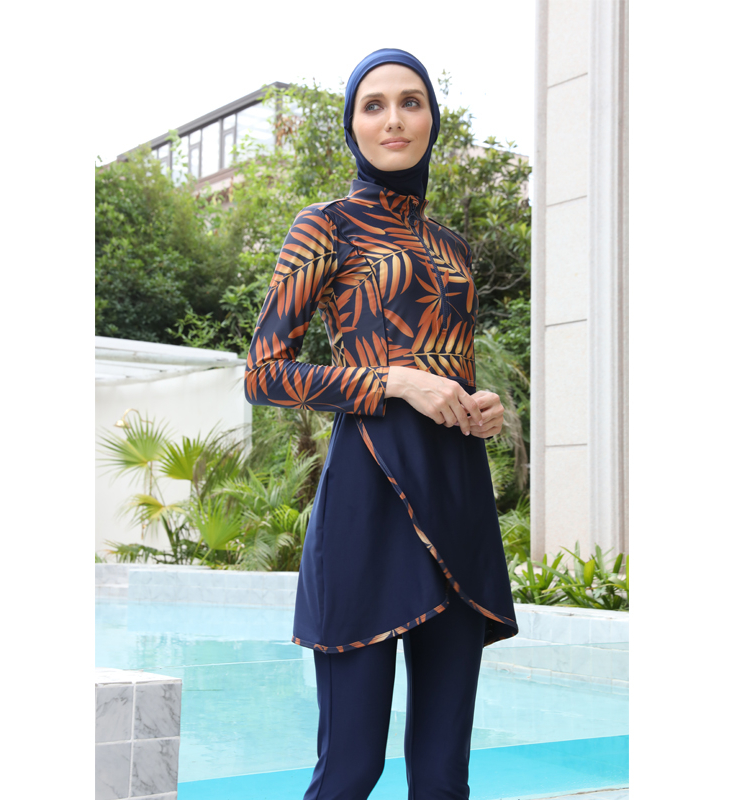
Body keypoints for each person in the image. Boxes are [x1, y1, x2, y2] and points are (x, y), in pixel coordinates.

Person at [244, 48, 518, 800]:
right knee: (351, 770)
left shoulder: (453, 247)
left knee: (443, 779)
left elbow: (447, 370)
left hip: (457, 497)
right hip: (369, 500)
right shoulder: (324, 227)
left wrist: (480, 406)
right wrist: (393, 381)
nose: (393, 119)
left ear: (432, 119)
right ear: (353, 125)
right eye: (374, 105)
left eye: (410, 101)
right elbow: (264, 374)